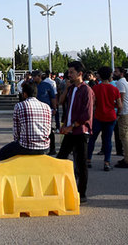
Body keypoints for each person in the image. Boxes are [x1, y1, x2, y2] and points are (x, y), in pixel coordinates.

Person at [56, 61, 94, 203]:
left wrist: (71, 127)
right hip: (70, 130)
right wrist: (65, 125)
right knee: (61, 159)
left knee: (81, 163)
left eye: (71, 72)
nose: (69, 75)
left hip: (80, 131)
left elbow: (86, 115)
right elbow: (65, 106)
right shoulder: (71, 89)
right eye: (68, 72)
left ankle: (81, 193)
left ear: (80, 74)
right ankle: (64, 187)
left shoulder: (87, 90)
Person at [0, 82, 51, 160]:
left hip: (26, 147)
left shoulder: (19, 106)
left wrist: (18, 142)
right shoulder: (47, 107)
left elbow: (16, 131)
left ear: (25, 94)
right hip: (45, 147)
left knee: (3, 152)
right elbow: (48, 129)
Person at [87, 66, 121, 172]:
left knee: (92, 139)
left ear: (99, 76)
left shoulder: (96, 88)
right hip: (111, 117)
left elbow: (92, 103)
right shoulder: (114, 89)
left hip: (98, 117)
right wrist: (118, 114)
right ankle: (107, 162)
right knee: (108, 141)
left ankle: (88, 160)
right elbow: (120, 105)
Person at [32, 71, 58, 155]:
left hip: (46, 111)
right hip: (35, 111)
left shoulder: (47, 85)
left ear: (39, 76)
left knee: (49, 129)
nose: (33, 78)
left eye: (34, 76)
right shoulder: (31, 86)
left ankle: (52, 148)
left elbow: (53, 98)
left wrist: (54, 108)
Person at [114, 67, 128, 168]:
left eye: (116, 72)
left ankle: (127, 160)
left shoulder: (120, 83)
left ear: (121, 73)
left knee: (124, 136)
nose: (114, 73)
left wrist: (119, 113)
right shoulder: (127, 83)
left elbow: (120, 99)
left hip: (125, 113)